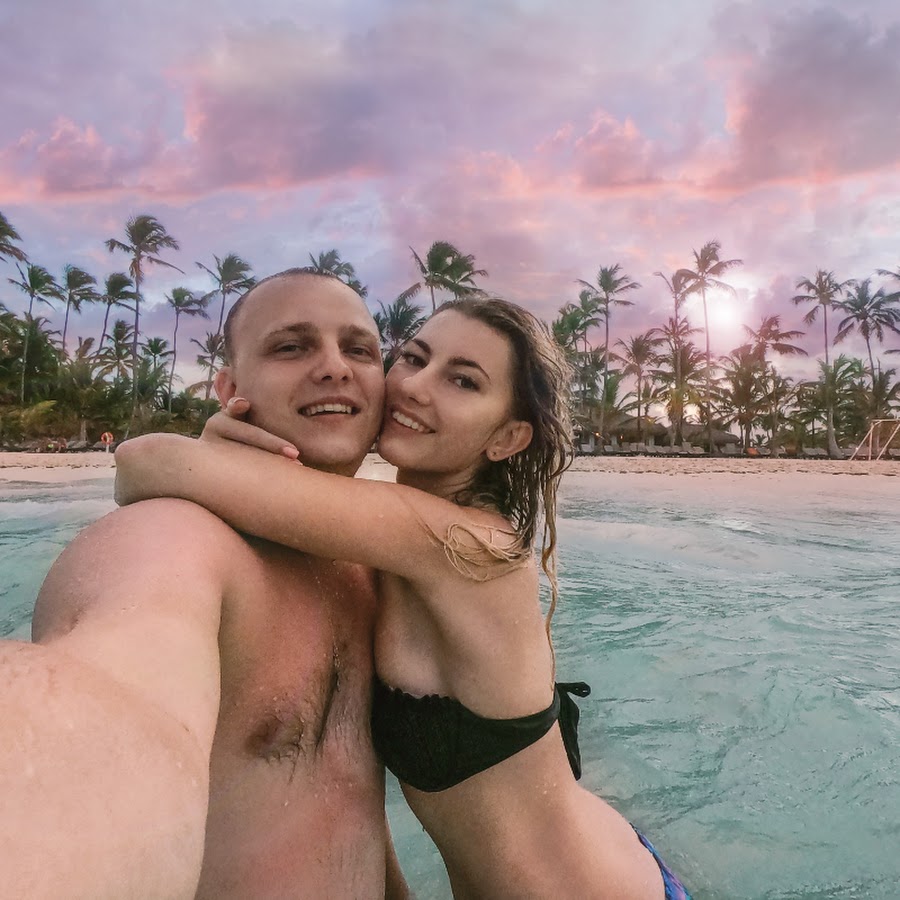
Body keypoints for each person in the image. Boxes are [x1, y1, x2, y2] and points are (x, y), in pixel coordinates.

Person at [116, 296, 692, 899]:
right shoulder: (388, 546)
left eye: (463, 381)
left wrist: (217, 445)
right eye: (413, 358)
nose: (415, 386)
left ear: (506, 437)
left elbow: (145, 460)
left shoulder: (467, 546)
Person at [4, 269, 407, 898]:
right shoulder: (174, 540)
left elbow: (346, 792)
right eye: (291, 346)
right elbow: (106, 704)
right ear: (229, 389)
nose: (335, 367)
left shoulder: (371, 566)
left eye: (359, 349)